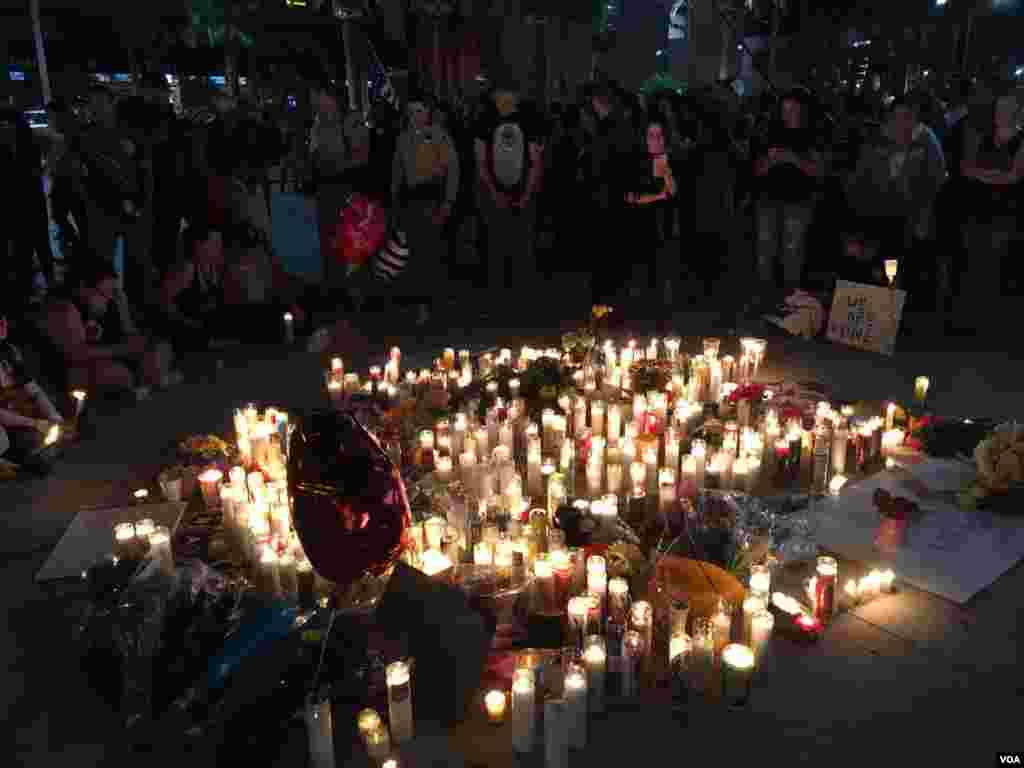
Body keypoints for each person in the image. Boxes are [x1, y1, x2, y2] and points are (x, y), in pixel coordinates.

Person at [156, 222, 310, 357]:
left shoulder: (216, 268)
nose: (219, 247)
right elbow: (163, 305)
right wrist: (190, 326)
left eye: (219, 243)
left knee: (257, 313)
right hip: (191, 332)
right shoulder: (187, 269)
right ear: (199, 246)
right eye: (214, 243)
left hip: (211, 325)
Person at [844, 98, 946, 290]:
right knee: (877, 273)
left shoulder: (925, 145)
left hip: (908, 227)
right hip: (876, 224)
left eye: (907, 118)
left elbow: (935, 185)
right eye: (896, 118)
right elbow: (859, 186)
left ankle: (893, 296)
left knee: (895, 274)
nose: (901, 123)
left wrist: (923, 219)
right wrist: (854, 230)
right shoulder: (875, 145)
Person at [39, 260, 173, 396]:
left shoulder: (111, 301)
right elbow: (76, 354)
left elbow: (128, 333)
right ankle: (138, 385)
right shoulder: (65, 309)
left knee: (160, 348)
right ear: (83, 288)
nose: (109, 298)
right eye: (104, 293)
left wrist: (124, 310)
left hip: (112, 355)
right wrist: (120, 350)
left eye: (112, 292)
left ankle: (144, 382)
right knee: (117, 373)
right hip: (79, 367)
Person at [388, 95, 459, 325]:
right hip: (411, 202)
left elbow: (452, 171)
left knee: (431, 254)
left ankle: (432, 303)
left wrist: (447, 202)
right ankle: (421, 304)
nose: (415, 116)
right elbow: (397, 173)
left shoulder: (439, 136)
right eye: (411, 112)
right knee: (414, 255)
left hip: (433, 199)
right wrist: (395, 201)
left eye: (419, 111)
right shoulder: (403, 138)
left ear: (428, 113)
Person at [474, 78, 545, 297]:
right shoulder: (484, 121)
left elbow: (536, 162)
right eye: (498, 97)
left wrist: (526, 195)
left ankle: (521, 293)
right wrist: (494, 193)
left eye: (504, 96)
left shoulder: (530, 120)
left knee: (521, 247)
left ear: (515, 97)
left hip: (521, 194)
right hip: (496, 194)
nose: (500, 101)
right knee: (496, 246)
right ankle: (497, 293)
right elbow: (480, 162)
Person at [958, 89, 1023, 330]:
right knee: (972, 263)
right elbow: (966, 169)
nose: (1000, 113)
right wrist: (995, 175)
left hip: (1005, 214)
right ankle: (970, 317)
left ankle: (988, 321)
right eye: (998, 108)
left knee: (994, 266)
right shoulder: (983, 137)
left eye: (1006, 109)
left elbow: (1014, 177)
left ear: (1016, 113)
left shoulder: (1021, 141)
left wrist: (983, 174)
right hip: (976, 210)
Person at [753, 89, 823, 291]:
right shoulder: (769, 133)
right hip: (767, 200)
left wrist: (794, 159)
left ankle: (790, 296)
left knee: (792, 253)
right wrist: (770, 161)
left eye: (793, 110)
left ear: (801, 111)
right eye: (785, 110)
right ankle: (765, 293)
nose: (788, 114)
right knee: (765, 251)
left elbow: (818, 172)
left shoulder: (811, 135)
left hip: (798, 202)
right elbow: (757, 170)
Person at [310, 83, 371, 298]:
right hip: (325, 190)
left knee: (351, 243)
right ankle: (334, 290)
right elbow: (314, 156)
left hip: (347, 189)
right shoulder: (318, 124)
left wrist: (338, 165)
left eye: (319, 98)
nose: (315, 103)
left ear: (332, 99)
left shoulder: (351, 121)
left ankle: (353, 292)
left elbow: (363, 157)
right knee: (329, 243)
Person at [0, 314, 65, 474]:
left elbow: (33, 389)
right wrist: (35, 423)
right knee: (4, 440)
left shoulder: (9, 351)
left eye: (2, 320)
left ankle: (25, 455)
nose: (3, 324)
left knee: (55, 412)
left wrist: (54, 417)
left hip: (12, 414)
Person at [622, 116, 677, 305]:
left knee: (662, 277)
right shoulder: (636, 162)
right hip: (640, 227)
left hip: (664, 227)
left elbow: (673, 192)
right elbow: (630, 197)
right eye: (651, 136)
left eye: (659, 136)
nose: (656, 140)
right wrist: (658, 197)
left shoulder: (669, 160)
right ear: (644, 138)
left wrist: (664, 165)